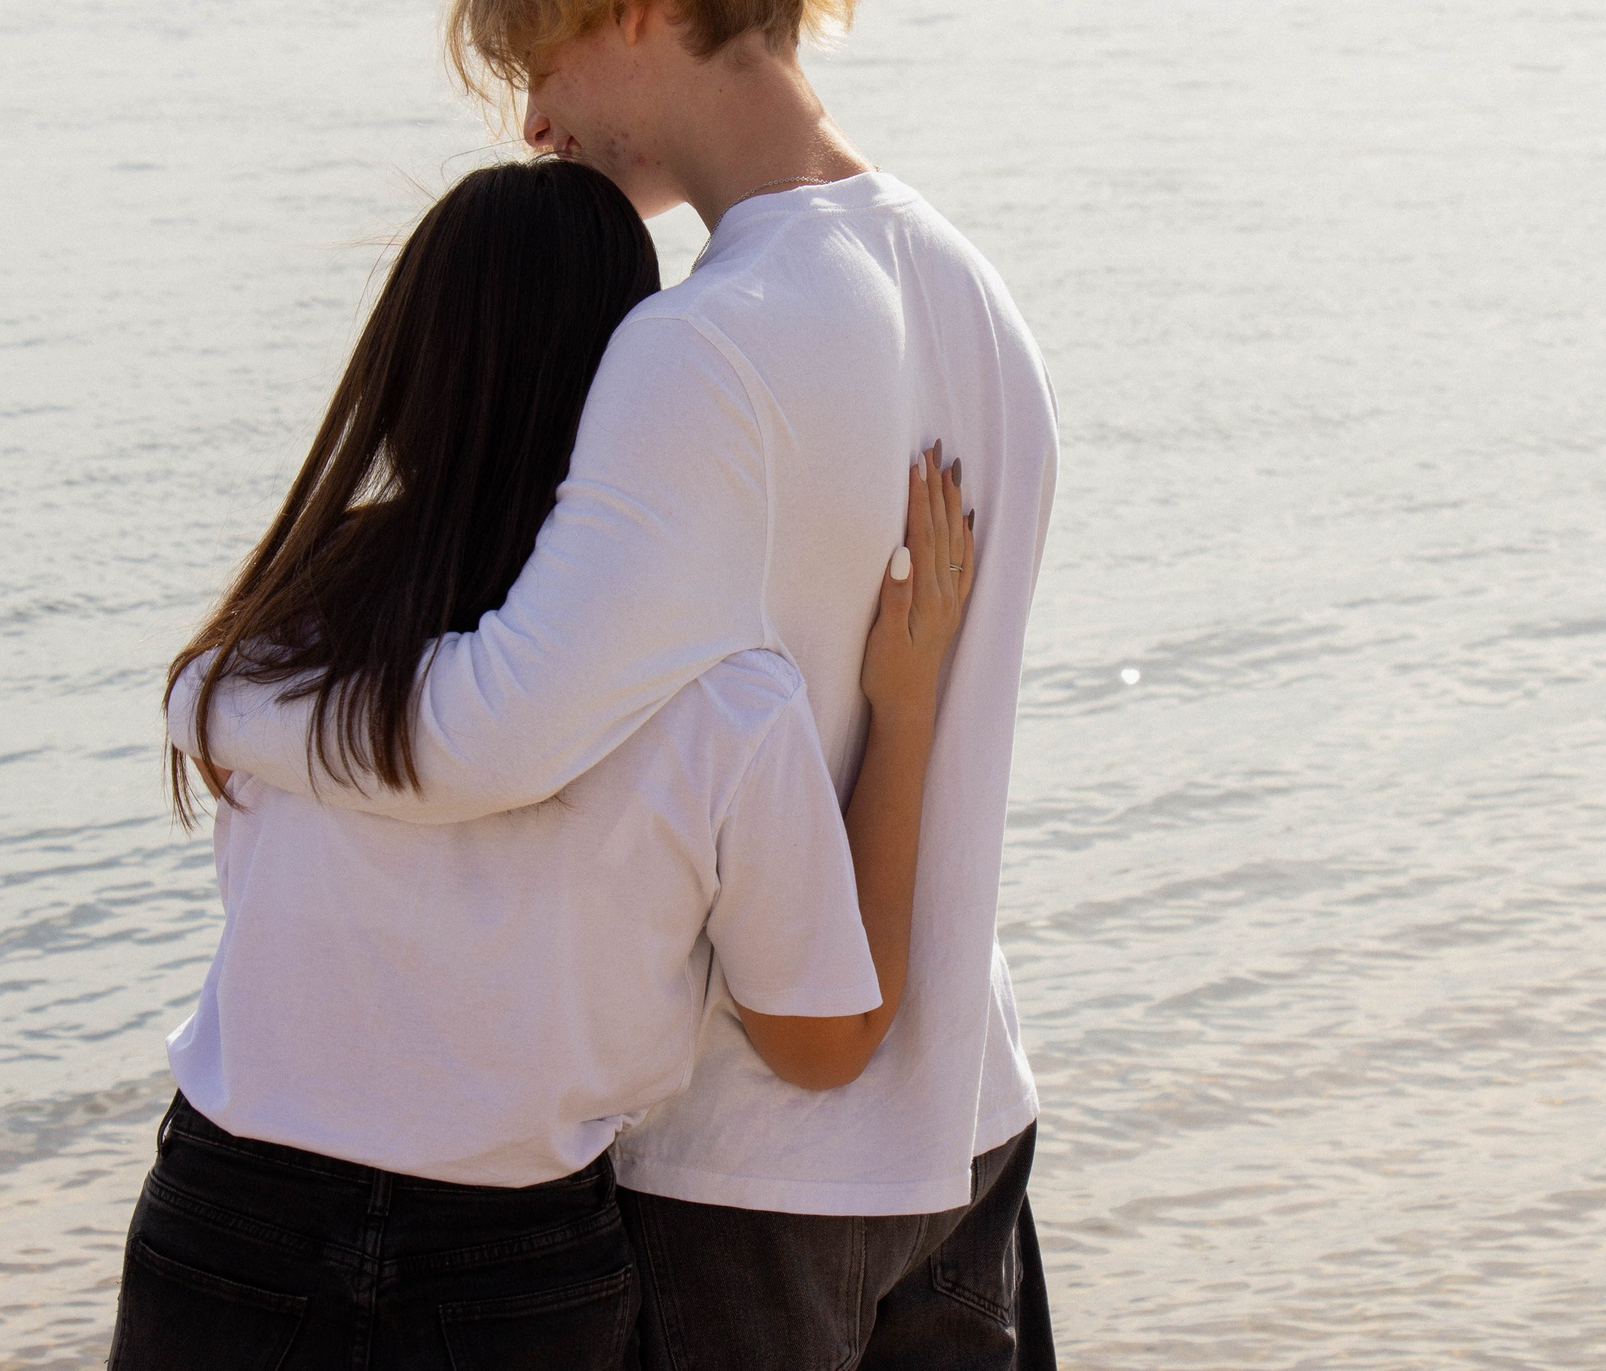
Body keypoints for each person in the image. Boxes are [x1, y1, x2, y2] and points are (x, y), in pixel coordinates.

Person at [187, 0, 1063, 1369]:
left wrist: (220, 709)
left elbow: (482, 741)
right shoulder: (974, 292)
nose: (534, 124)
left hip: (756, 1176)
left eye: (545, 61)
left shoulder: (700, 344)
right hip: (970, 1123)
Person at [107, 157, 982, 1370]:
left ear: (404, 358)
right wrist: (905, 710)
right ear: (629, 381)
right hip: (506, 1269)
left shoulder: (277, 643)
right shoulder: (718, 692)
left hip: (222, 1217)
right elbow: (822, 1045)